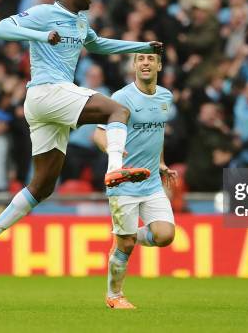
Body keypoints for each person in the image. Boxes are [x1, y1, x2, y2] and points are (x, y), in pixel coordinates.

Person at [0, 0, 163, 279]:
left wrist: (141, 45)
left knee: (43, 185)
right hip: (48, 90)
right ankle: (114, 169)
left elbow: (98, 46)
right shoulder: (45, 13)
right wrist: (40, 36)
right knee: (118, 111)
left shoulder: (81, 21)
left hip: (47, 105)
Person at [93, 53, 177, 309]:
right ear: (134, 65)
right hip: (123, 182)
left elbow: (157, 134)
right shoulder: (120, 98)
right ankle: (114, 295)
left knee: (165, 235)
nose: (145, 63)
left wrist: (161, 162)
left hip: (151, 181)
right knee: (126, 246)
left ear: (159, 65)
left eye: (151, 59)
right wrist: (114, 152)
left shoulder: (165, 97)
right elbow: (98, 134)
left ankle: (123, 237)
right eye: (140, 59)